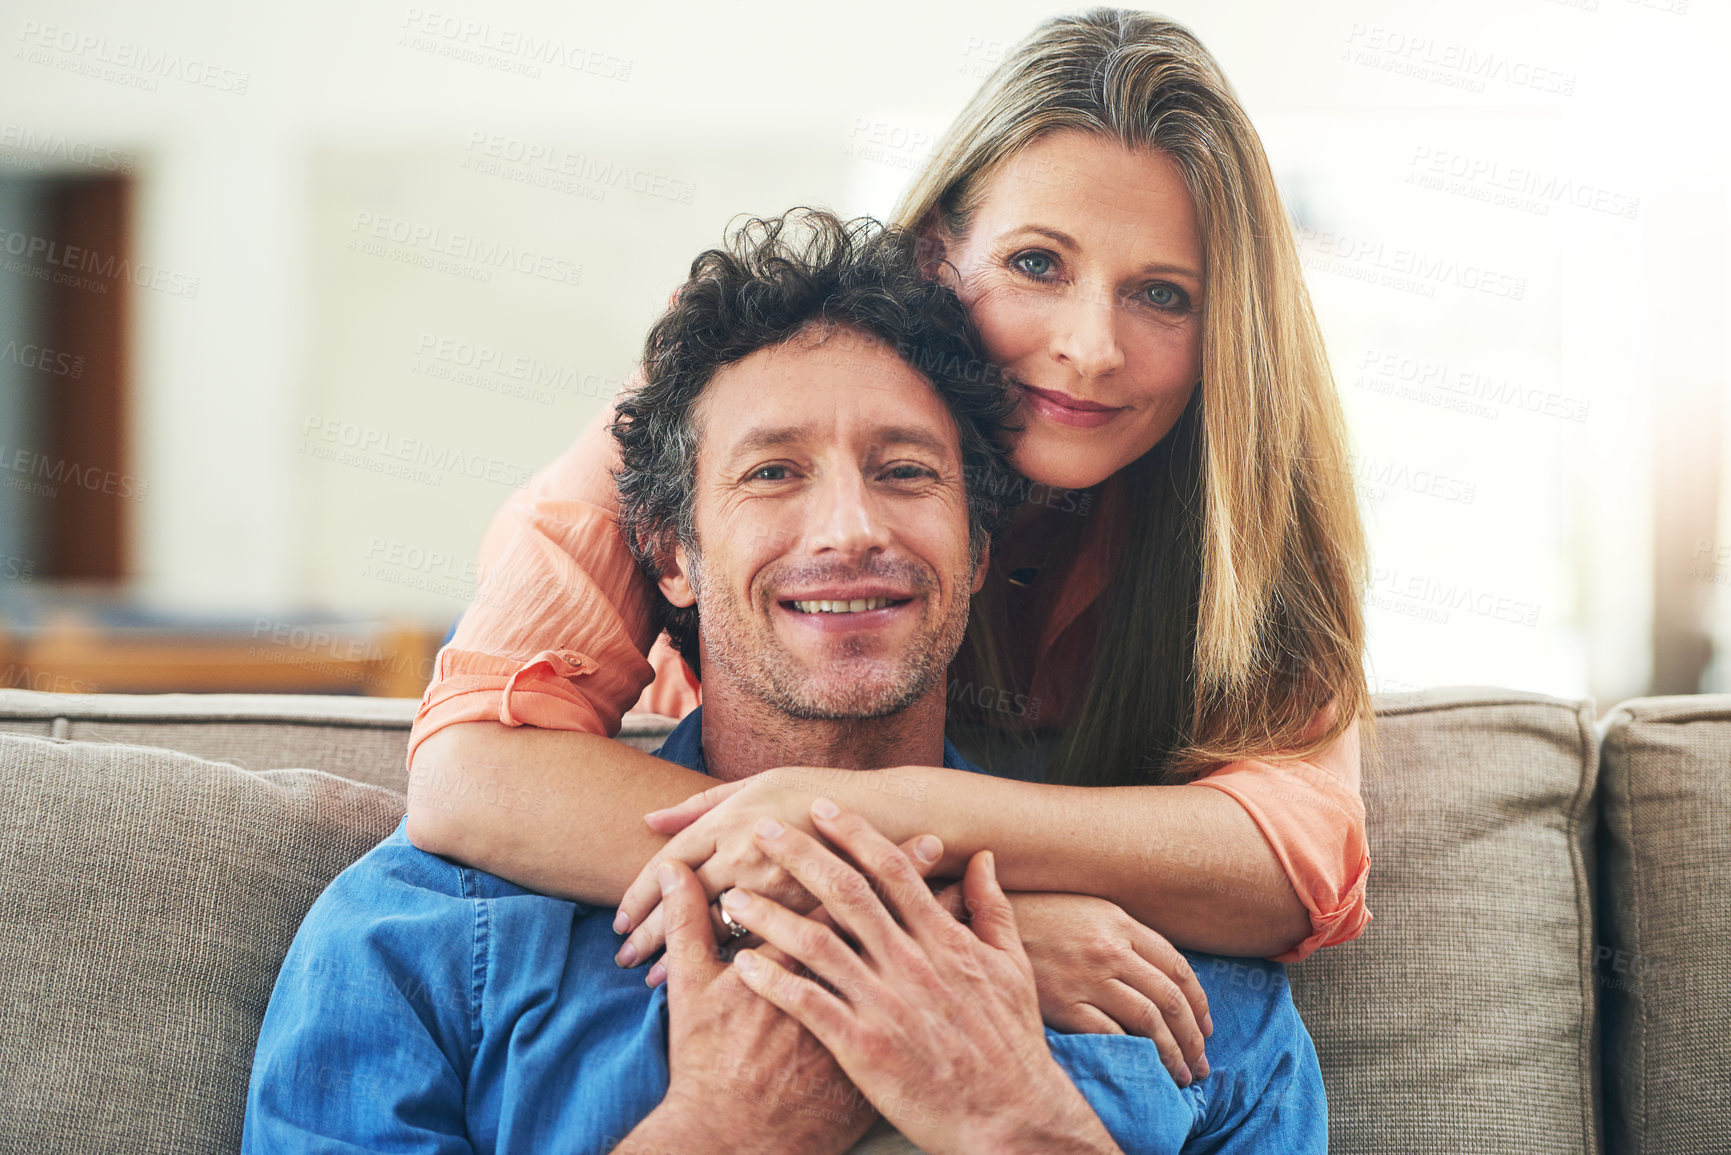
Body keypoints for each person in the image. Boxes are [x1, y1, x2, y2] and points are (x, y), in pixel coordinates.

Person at [406, 9, 1371, 1087]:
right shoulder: (736, 398)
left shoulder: (1246, 515)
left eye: (1162, 295)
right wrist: (949, 917)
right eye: (1037, 263)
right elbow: (471, 774)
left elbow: (1292, 862)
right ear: (936, 256)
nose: (1092, 348)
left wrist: (910, 816)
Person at [243, 210, 1325, 1154]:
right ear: (670, 552)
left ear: (980, 546)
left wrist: (1015, 1126)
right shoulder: (415, 937)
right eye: (772, 473)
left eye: (906, 472)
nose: (851, 529)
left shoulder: (1172, 977)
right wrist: (722, 1132)